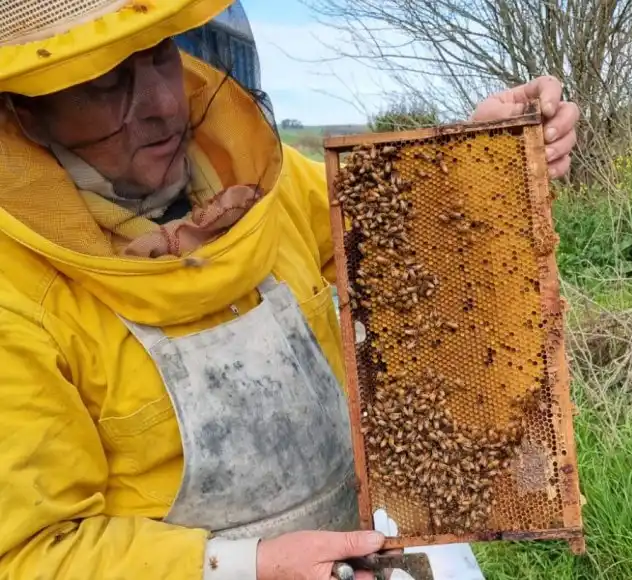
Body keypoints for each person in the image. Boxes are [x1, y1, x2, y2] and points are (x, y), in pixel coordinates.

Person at [0, 1, 580, 579]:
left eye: (159, 56)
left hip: (374, 544)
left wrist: (473, 156)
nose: (162, 105)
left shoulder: (255, 177)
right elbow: (30, 554)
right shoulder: (16, 295)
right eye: (106, 84)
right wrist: (252, 566)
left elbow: (408, 245)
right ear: (26, 110)